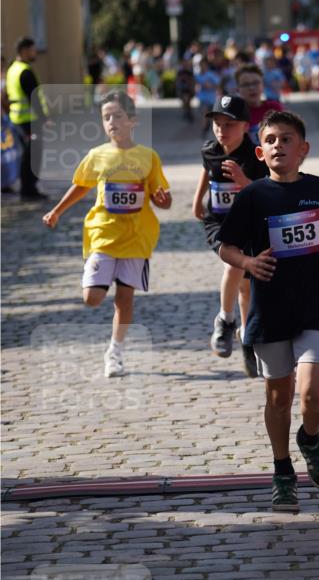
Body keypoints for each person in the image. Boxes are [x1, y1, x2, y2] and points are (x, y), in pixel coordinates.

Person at [218, 110, 319, 512]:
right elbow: (226, 247)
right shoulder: (253, 196)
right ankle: (282, 471)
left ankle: (309, 437)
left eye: (286, 139)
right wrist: (248, 264)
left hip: (315, 305)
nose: (278, 145)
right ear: (260, 151)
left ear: (303, 149)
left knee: (313, 395)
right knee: (278, 397)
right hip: (270, 310)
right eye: (271, 140)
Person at [42, 90, 171, 375]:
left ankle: (115, 352)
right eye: (106, 117)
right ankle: (100, 272)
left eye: (117, 116)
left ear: (133, 120)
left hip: (137, 238)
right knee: (92, 298)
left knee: (124, 299)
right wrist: (57, 211)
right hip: (102, 233)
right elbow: (81, 185)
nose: (111, 122)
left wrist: (163, 200)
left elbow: (162, 195)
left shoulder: (148, 157)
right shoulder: (97, 156)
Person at [192, 94, 268, 378]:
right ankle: (225, 319)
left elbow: (263, 192)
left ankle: (246, 337)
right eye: (218, 124)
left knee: (246, 289)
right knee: (233, 262)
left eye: (230, 125)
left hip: (249, 224)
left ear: (246, 126)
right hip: (218, 223)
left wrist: (243, 181)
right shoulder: (210, 149)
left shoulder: (255, 155)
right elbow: (207, 170)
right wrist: (198, 199)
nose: (222, 130)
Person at [5, 36, 50, 199]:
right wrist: (44, 118)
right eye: (32, 49)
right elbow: (34, 97)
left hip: (16, 119)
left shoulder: (12, 68)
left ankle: (27, 187)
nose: (35, 52)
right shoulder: (25, 70)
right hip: (28, 120)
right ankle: (29, 189)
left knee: (26, 154)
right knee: (32, 155)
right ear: (24, 51)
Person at [235, 64, 283, 144]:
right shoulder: (235, 113)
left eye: (256, 83)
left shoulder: (275, 108)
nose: (251, 88)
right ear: (237, 90)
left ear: (263, 86)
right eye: (246, 85)